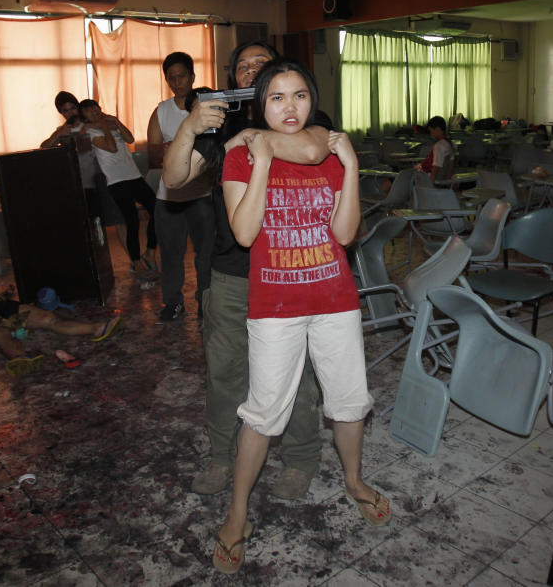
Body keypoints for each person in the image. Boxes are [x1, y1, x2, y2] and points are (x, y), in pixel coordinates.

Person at [213, 59, 389, 574]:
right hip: (275, 307)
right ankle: (237, 510)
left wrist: (353, 167)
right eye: (276, 98)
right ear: (259, 105)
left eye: (300, 96)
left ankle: (354, 481)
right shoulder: (241, 159)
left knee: (349, 401)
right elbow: (245, 234)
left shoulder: (330, 155)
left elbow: (344, 234)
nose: (290, 108)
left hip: (335, 300)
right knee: (264, 412)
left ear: (313, 101)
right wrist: (263, 160)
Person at [164, 41, 329, 500]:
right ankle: (221, 455)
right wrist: (192, 126)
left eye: (263, 65)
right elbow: (175, 179)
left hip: (293, 270)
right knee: (225, 371)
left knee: (296, 372)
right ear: (234, 80)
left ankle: (300, 458)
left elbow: (315, 150)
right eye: (244, 67)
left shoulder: (305, 114)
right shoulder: (220, 127)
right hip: (234, 273)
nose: (253, 72)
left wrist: (257, 140)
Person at [147, 52, 214, 322]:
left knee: (205, 255)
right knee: (171, 255)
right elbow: (152, 156)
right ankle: (173, 303)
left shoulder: (207, 106)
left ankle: (204, 303)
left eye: (181, 76)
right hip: (169, 198)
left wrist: (174, 147)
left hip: (202, 196)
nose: (177, 82)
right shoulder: (162, 110)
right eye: (171, 78)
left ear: (192, 76)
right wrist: (165, 150)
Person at [78, 99, 158, 280]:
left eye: (95, 108)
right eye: (88, 111)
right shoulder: (89, 132)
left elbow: (129, 138)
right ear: (85, 117)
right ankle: (136, 261)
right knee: (132, 221)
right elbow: (112, 148)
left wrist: (115, 121)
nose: (94, 111)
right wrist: (104, 126)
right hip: (116, 181)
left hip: (134, 176)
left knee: (157, 209)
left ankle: (151, 251)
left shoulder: (111, 123)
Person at [41, 91, 103, 221]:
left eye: (73, 108)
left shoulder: (90, 123)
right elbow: (43, 148)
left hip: (98, 178)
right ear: (61, 113)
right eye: (65, 111)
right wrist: (58, 134)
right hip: (75, 183)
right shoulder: (62, 131)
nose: (71, 113)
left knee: (100, 220)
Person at [416, 115, 454, 182]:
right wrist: (447, 183)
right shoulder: (450, 144)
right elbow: (450, 167)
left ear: (437, 129)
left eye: (431, 131)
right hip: (435, 178)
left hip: (425, 178)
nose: (431, 134)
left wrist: (431, 187)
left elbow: (435, 169)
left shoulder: (439, 146)